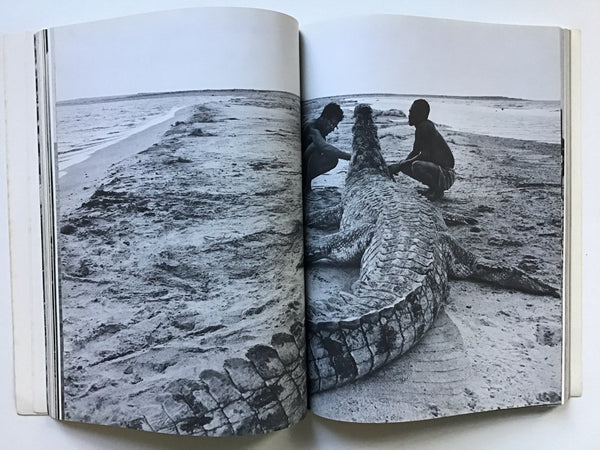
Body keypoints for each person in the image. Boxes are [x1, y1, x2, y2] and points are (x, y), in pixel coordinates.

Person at [389, 99, 455, 200]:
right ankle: (433, 188)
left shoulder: (425, 127)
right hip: (439, 171)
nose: (409, 115)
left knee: (416, 165)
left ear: (420, 115)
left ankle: (436, 191)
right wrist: (400, 165)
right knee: (406, 165)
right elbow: (415, 152)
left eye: (412, 112)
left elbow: (424, 155)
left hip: (446, 174)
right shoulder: (421, 127)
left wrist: (399, 165)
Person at [302, 103, 350, 191]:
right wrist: (350, 156)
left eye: (335, 127)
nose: (332, 129)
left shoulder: (321, 134)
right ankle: (304, 181)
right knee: (317, 147)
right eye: (332, 124)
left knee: (332, 159)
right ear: (323, 118)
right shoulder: (312, 127)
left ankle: (307, 181)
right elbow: (324, 147)